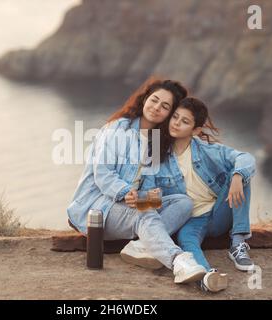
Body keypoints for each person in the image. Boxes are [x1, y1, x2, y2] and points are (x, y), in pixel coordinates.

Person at [67, 78, 208, 284]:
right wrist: (126, 192)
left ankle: (141, 246)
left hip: (128, 205)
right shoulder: (117, 129)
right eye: (154, 100)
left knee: (183, 203)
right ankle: (179, 261)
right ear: (145, 98)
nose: (157, 107)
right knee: (145, 213)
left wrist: (149, 196)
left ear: (169, 114)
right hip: (97, 208)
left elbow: (148, 184)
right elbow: (103, 173)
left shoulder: (156, 141)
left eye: (165, 106)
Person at [128, 97, 256, 292]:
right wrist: (142, 198)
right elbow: (149, 196)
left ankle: (237, 242)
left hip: (218, 214)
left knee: (239, 175)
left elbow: (245, 158)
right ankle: (207, 277)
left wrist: (238, 176)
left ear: (195, 130)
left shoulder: (207, 151)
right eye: (175, 117)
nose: (176, 123)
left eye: (185, 121)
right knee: (187, 243)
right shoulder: (156, 155)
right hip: (190, 221)